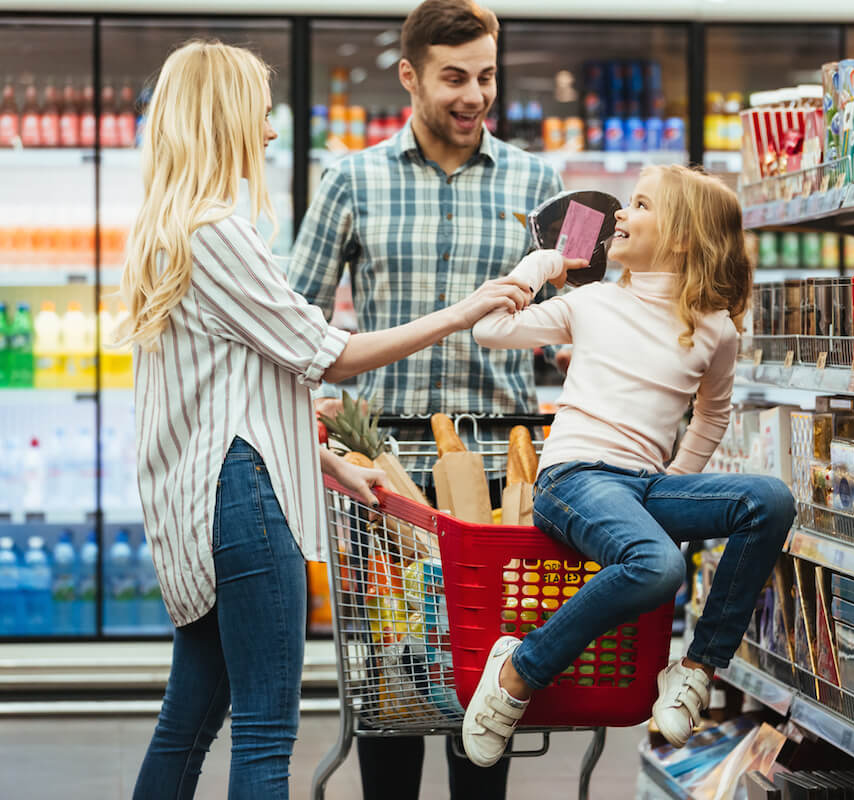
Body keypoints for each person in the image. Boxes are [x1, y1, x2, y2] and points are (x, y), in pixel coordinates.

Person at [120, 40, 533, 800]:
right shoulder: (219, 232)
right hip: (243, 504)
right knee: (266, 731)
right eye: (260, 111)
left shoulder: (167, 234)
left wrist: (329, 460)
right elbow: (326, 353)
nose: (272, 131)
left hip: (204, 500)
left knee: (190, 720)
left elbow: (234, 391)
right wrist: (464, 311)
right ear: (223, 118)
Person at [288, 1, 565, 796]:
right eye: (453, 79)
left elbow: (561, 319)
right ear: (409, 75)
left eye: (485, 77)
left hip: (498, 472)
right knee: (391, 689)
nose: (473, 96)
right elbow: (296, 324)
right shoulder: (352, 179)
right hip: (384, 474)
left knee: (489, 684)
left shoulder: (536, 182)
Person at [466, 165, 797, 766]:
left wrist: (678, 479)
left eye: (639, 204)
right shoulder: (592, 302)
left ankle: (696, 668)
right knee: (657, 566)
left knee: (769, 500)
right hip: (574, 479)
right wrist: (540, 267)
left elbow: (711, 414)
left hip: (646, 486)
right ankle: (520, 669)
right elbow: (489, 328)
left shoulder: (715, 330)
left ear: (680, 238)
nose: (619, 213)